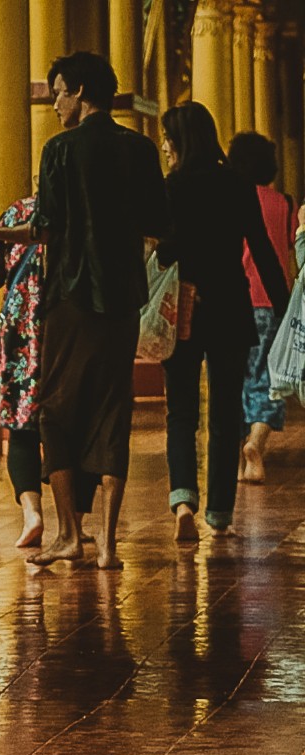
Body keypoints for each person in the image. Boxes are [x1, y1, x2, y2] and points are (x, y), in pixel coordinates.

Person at [27, 52, 169, 569]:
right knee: (113, 407)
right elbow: (158, 219)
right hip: (123, 297)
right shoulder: (140, 148)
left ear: (81, 90)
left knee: (55, 410)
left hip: (70, 296)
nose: (56, 104)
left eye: (60, 92)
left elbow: (45, 225)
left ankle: (69, 534)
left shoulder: (59, 150)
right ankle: (107, 544)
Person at [156, 103, 290, 539]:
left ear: (180, 141)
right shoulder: (236, 184)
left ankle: (182, 501)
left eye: (168, 138)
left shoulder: (171, 187)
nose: (164, 146)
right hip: (232, 307)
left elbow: (163, 252)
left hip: (185, 310)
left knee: (180, 411)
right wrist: (286, 306)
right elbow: (264, 251)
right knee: (226, 412)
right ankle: (219, 514)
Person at [0, 192, 96, 549]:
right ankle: (75, 523)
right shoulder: (88, 210)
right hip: (76, 331)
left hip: (23, 334)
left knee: (20, 427)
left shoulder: (18, 211)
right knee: (78, 427)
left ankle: (32, 514)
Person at [228, 130, 295, 486]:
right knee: (269, 379)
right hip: (272, 302)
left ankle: (239, 460)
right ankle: (256, 443)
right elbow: (289, 252)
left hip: (234, 301)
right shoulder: (284, 203)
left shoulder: (229, 199)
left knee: (235, 379)